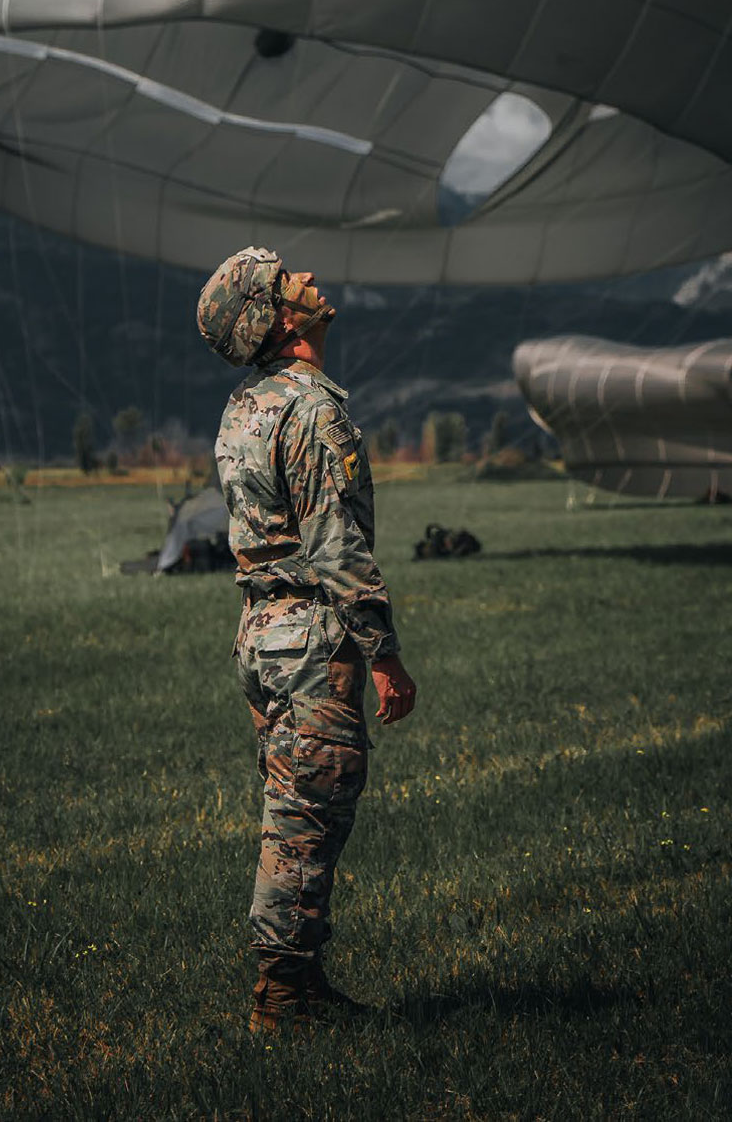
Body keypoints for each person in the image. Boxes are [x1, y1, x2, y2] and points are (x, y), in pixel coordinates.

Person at [196, 246, 417, 1032]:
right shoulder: (314, 408)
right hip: (312, 637)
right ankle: (283, 997)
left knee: (292, 809)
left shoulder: (243, 406)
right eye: (288, 276)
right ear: (281, 316)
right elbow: (337, 546)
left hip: (260, 635)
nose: (308, 275)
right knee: (306, 819)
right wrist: (384, 652)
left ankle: (300, 985)